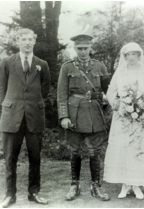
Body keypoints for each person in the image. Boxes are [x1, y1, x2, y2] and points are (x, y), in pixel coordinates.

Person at [0, 28, 50, 208]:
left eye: (30, 39)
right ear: (18, 41)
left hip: (34, 117)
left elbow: (45, 89)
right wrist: (10, 106)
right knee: (10, 158)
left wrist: (32, 104)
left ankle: (34, 193)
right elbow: (0, 88)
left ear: (34, 41)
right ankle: (10, 195)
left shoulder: (42, 64)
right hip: (12, 117)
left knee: (35, 157)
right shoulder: (7, 62)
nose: (27, 42)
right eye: (23, 39)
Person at [57, 34, 110, 201]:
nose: (82, 52)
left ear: (90, 48)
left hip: (94, 112)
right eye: (79, 48)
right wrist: (64, 116)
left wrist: (106, 105)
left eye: (85, 48)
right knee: (75, 149)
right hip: (74, 113)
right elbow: (61, 94)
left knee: (96, 150)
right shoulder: (67, 67)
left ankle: (96, 186)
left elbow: (109, 92)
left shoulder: (100, 66)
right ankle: (75, 185)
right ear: (75, 49)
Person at [103, 42, 144, 200]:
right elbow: (110, 93)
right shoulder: (119, 72)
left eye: (134, 54)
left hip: (140, 119)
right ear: (124, 57)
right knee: (123, 148)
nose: (131, 57)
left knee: (138, 149)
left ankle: (136, 185)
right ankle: (125, 185)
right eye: (127, 55)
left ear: (139, 55)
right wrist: (119, 103)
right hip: (122, 117)